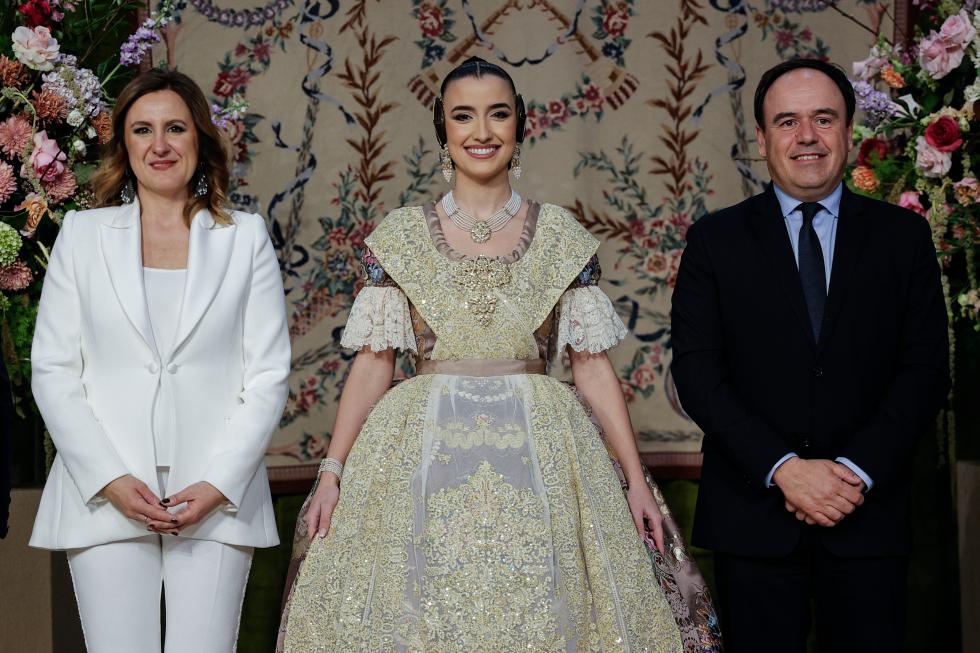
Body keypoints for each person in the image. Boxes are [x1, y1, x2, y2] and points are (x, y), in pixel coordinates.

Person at [278, 57, 721, 652]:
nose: (481, 131)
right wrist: (333, 472)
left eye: (498, 114)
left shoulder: (560, 235)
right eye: (463, 116)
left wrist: (636, 482)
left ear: (520, 125)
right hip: (419, 459)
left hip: (544, 455)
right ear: (443, 130)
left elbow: (591, 367)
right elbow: (373, 364)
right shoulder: (401, 235)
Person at [671, 58, 950, 652]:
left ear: (848, 132)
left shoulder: (903, 237)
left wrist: (853, 472)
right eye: (787, 121)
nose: (807, 136)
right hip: (753, 518)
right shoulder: (714, 241)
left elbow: (925, 371)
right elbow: (697, 373)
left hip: (870, 515)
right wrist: (785, 469)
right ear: (762, 138)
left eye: (824, 119)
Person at [29, 69, 291, 653]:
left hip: (217, 498)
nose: (160, 145)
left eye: (175, 128)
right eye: (142, 130)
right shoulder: (83, 235)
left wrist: (219, 483)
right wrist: (110, 479)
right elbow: (53, 370)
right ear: (124, 145)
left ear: (200, 138)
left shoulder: (245, 237)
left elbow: (268, 375)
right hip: (106, 493)